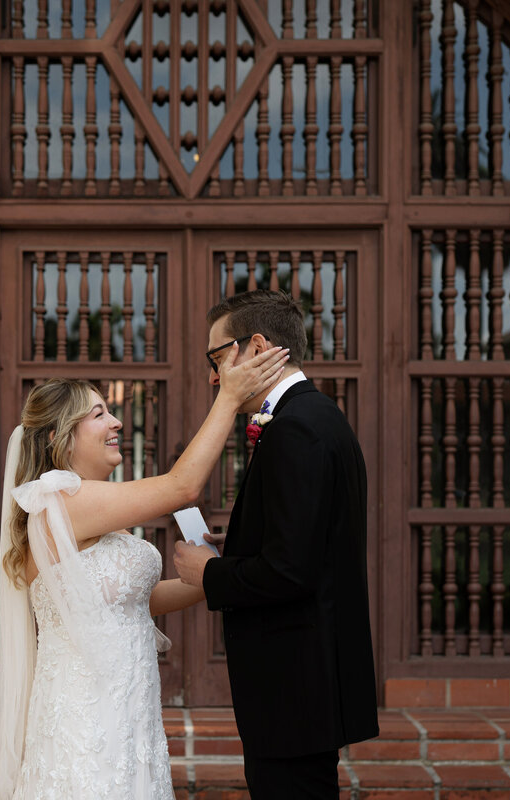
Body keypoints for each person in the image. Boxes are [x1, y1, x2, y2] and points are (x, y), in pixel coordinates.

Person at [0, 343, 290, 800]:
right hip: (85, 728)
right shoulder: (61, 500)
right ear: (57, 435)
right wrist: (229, 397)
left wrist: (218, 573)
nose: (116, 423)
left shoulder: (87, 509)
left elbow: (133, 604)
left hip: (130, 721)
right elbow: (182, 486)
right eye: (98, 414)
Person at [174, 290, 379, 800]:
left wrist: (211, 575)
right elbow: (307, 541)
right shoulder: (317, 417)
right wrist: (242, 544)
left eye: (216, 359)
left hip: (293, 688)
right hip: (306, 684)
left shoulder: (295, 430)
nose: (212, 377)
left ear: (257, 346)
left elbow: (291, 571)